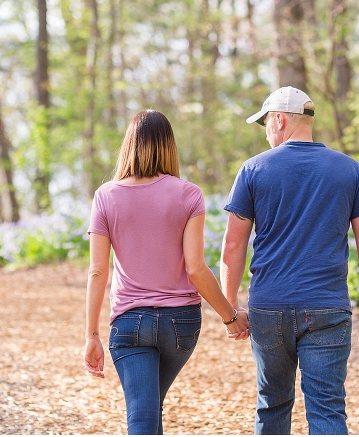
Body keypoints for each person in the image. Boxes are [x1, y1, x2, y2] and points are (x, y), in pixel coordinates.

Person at [219, 86, 359, 435]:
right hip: (327, 307)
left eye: (265, 122)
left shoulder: (253, 170)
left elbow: (233, 245)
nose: (265, 131)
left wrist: (230, 308)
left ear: (279, 120)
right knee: (327, 410)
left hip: (269, 307)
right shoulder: (350, 170)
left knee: (272, 404)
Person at [84, 109, 250, 435]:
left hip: (130, 324)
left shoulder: (106, 196)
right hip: (181, 324)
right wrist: (229, 317)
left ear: (128, 145)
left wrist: (91, 336)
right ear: (169, 146)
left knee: (143, 418)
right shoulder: (188, 194)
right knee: (149, 409)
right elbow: (197, 268)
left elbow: (97, 272)